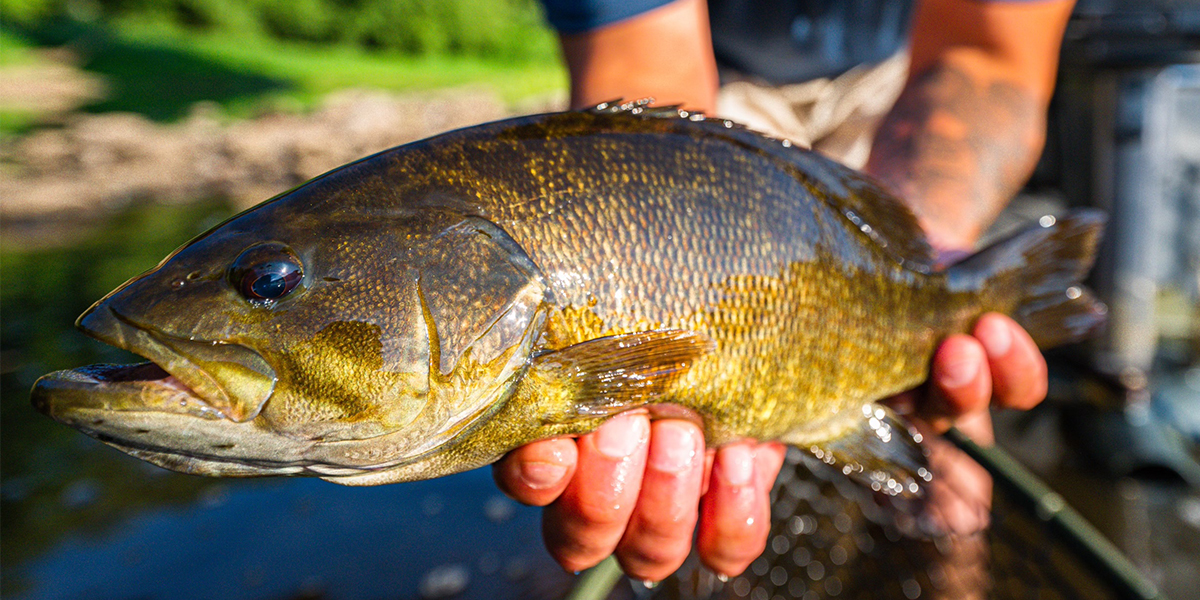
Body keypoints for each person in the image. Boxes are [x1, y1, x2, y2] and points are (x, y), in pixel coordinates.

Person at [492, 0, 1076, 583]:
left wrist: (918, 245)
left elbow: (985, 55)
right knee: (682, 511)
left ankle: (956, 567)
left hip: (902, 77)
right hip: (715, 88)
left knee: (951, 466)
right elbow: (644, 65)